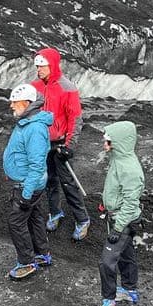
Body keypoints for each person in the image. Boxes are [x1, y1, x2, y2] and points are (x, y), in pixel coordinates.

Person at [31, 47, 90, 240]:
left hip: (61, 144)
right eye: (37, 66)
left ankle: (82, 219)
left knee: (67, 182)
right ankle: (55, 213)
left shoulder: (67, 87)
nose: (38, 69)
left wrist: (70, 145)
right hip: (42, 143)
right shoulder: (35, 87)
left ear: (52, 65)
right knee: (49, 180)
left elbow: (75, 118)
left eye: (42, 66)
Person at [2, 84, 53, 280]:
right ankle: (42, 254)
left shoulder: (35, 128)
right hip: (26, 183)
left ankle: (26, 262)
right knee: (35, 218)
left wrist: (26, 193)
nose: (11, 106)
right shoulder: (27, 122)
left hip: (27, 186)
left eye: (15, 102)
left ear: (27, 103)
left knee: (16, 222)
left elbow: (37, 165)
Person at [97, 121, 145, 306]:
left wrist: (118, 227)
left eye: (108, 142)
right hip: (118, 216)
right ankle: (129, 289)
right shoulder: (119, 158)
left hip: (123, 220)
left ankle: (109, 300)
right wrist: (107, 204)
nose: (104, 145)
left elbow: (131, 203)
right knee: (126, 254)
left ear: (119, 142)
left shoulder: (130, 169)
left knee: (106, 262)